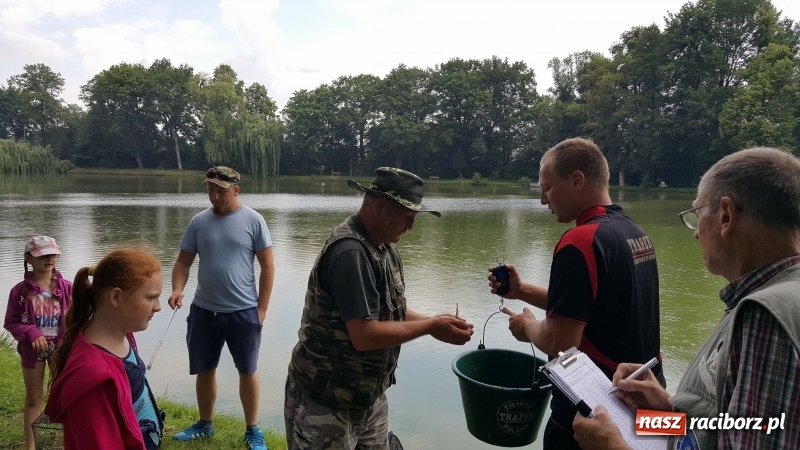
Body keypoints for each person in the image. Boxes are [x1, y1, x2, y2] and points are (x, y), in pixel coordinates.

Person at [573, 146, 800, 450]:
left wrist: (613, 446)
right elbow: (734, 427)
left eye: (696, 215)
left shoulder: (766, 316)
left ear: (726, 215)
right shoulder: (768, 293)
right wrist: (667, 407)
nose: (694, 233)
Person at [488, 137, 665, 449]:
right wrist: (521, 291)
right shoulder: (635, 234)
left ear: (576, 180)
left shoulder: (580, 240)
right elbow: (595, 309)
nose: (543, 200)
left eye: (547, 188)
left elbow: (561, 342)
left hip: (591, 417)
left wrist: (526, 327)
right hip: (647, 403)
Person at [284, 167, 474, 450]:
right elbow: (364, 335)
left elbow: (392, 311)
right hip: (325, 400)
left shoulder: (384, 246)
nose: (411, 226)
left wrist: (436, 321)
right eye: (407, 217)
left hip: (367, 398)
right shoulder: (350, 252)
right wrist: (431, 327)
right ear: (381, 206)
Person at [168, 166, 275, 450]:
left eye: (221, 191)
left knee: (247, 370)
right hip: (204, 310)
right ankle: (205, 425)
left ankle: (253, 430)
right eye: (211, 190)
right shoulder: (198, 222)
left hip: (243, 311)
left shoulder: (254, 220)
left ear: (236, 190)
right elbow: (183, 262)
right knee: (205, 369)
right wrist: (177, 289)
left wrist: (261, 309)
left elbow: (268, 266)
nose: (215, 197)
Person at [44, 247, 164, 450]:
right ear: (116, 297)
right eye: (151, 297)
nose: (158, 306)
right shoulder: (93, 378)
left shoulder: (123, 334)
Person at [4, 236, 72, 450]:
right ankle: (30, 446)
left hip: (61, 349)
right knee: (34, 399)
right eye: (42, 255)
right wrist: (31, 332)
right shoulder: (18, 292)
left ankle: (69, 441)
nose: (48, 259)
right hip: (32, 351)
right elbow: (11, 322)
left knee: (63, 396)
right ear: (28, 259)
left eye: (52, 254)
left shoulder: (69, 288)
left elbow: (82, 316)